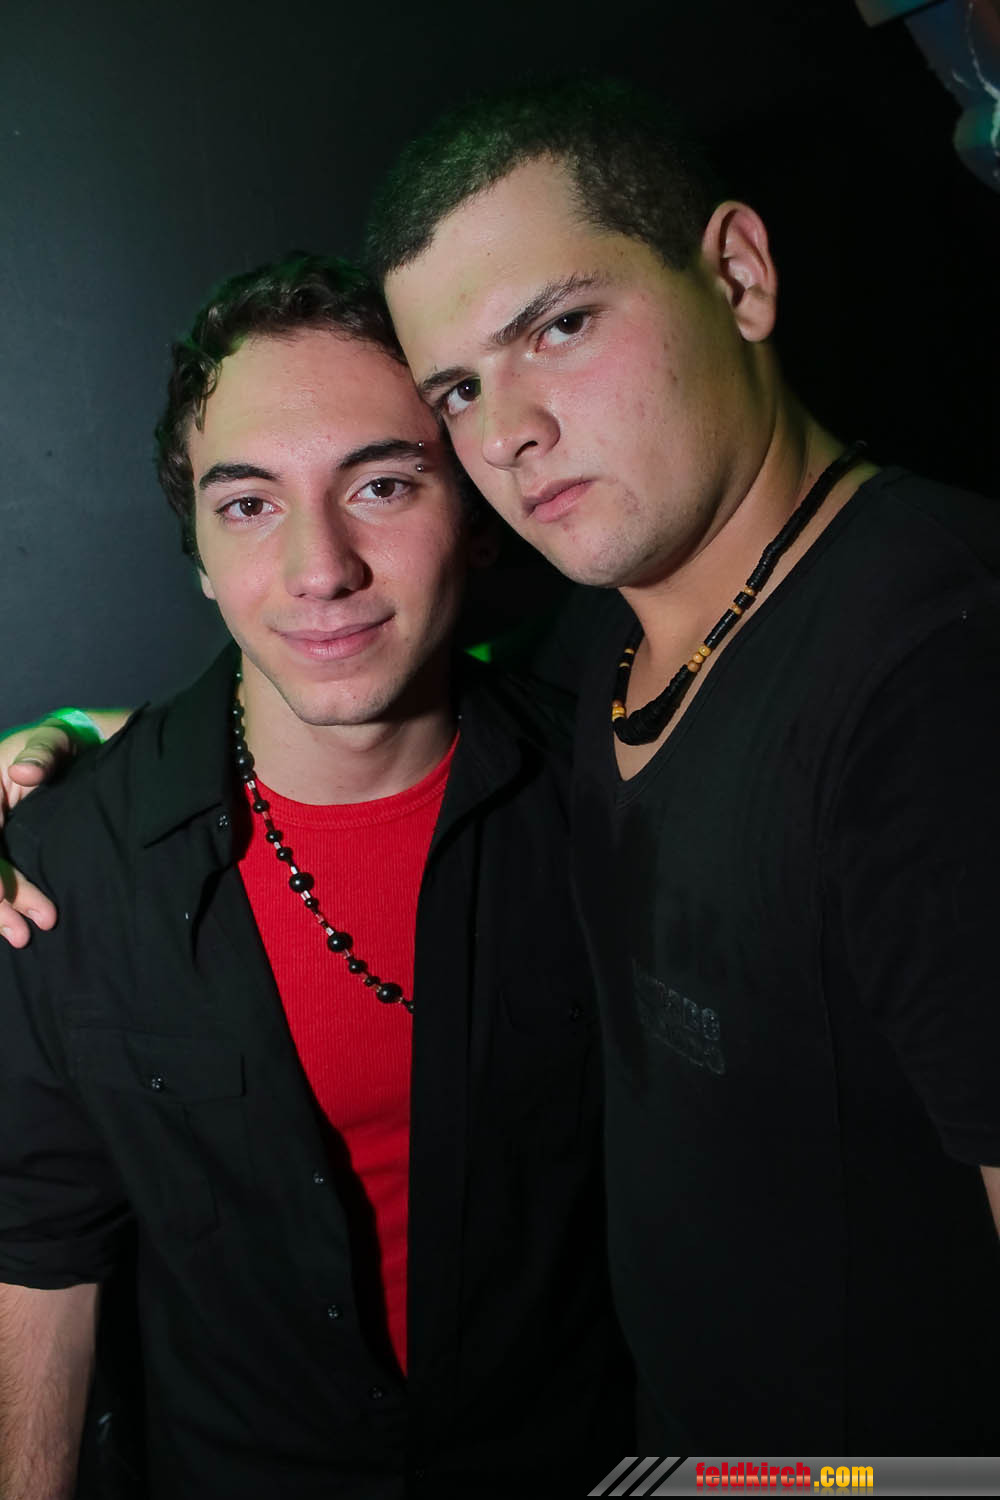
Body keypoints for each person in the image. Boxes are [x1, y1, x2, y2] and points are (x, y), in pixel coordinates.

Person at [361, 80, 1000, 1451]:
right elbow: (393, 705)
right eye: (460, 390)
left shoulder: (939, 671)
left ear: (739, 276)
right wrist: (88, 755)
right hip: (685, 1441)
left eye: (558, 328)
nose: (507, 432)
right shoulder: (609, 629)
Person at [0, 254, 631, 1500]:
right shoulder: (69, 863)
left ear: (474, 515)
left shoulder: (609, 794)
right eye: (247, 505)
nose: (319, 567)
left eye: (381, 486)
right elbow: (38, 1258)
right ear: (195, 549)